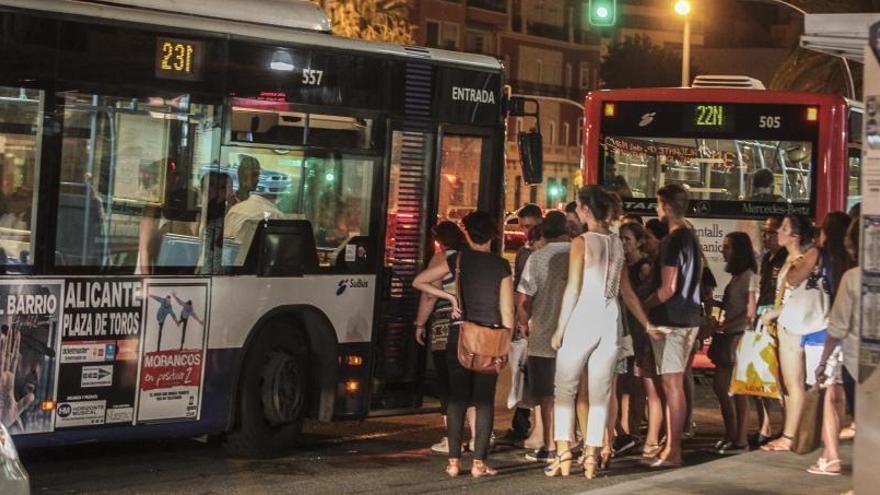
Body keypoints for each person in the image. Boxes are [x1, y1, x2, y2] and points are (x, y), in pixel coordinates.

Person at [545, 186, 653, 479]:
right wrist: (646, 323)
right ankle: (592, 454)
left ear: (586, 209)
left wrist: (559, 328)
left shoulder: (581, 242)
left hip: (583, 316)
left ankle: (564, 451)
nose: (577, 212)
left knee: (565, 388)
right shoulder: (617, 243)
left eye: (579, 207)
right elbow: (627, 292)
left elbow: (573, 288)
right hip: (610, 320)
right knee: (601, 392)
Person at [413, 211, 514, 478]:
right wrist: (507, 339)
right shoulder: (501, 266)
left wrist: (448, 296)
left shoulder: (457, 259)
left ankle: (454, 462)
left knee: (456, 399)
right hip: (489, 337)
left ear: (467, 234)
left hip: (459, 335)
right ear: (494, 235)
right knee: (483, 401)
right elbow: (507, 312)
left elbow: (419, 281)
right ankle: (479, 462)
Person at [643, 183, 703, 468]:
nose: (657, 210)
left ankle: (674, 450)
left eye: (657, 205)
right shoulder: (692, 237)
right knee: (674, 383)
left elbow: (668, 288)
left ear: (666, 207)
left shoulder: (672, 241)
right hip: (689, 316)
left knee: (671, 384)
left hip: (672, 320)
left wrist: (642, 307)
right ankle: (670, 445)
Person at [760, 214, 821, 452]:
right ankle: (790, 430)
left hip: (793, 327)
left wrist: (773, 314)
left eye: (784, 228)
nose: (778, 232)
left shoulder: (803, 262)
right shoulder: (791, 260)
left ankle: (790, 436)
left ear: (795, 236)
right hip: (785, 326)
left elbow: (798, 299)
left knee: (793, 384)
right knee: (786, 384)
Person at [516, 211, 570, 463]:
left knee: (547, 395)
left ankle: (549, 445)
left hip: (544, 335)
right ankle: (570, 442)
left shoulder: (536, 258)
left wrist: (524, 322)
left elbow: (524, 299)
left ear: (544, 232)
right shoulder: (581, 254)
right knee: (574, 392)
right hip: (577, 334)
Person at [413, 221, 471, 455]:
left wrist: (419, 324)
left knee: (447, 384)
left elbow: (428, 296)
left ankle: (451, 438)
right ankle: (479, 437)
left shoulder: (441, 259)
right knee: (468, 382)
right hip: (469, 326)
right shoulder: (470, 257)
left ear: (439, 240)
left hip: (445, 326)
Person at [810, 212, 859, 475]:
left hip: (848, 352)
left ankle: (831, 456)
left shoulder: (850, 275)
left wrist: (823, 361)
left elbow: (837, 327)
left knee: (832, 399)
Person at [620, 221, 663, 459]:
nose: (624, 244)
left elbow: (641, 298)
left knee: (638, 383)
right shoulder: (623, 264)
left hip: (638, 329)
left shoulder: (643, 267)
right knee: (624, 383)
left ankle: (636, 432)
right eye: (621, 239)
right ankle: (627, 431)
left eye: (627, 239)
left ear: (639, 242)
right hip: (624, 327)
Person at [710, 232, 757, 455]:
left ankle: (740, 439)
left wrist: (723, 325)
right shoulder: (738, 277)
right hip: (729, 336)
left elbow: (750, 313)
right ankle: (731, 434)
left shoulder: (747, 277)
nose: (723, 251)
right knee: (722, 389)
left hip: (737, 337)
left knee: (737, 392)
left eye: (727, 247)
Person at [503, 203, 543, 446]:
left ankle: (525, 424)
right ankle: (521, 421)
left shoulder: (537, 252)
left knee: (529, 372)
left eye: (529, 226)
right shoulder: (523, 252)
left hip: (535, 318)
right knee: (521, 371)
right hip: (525, 317)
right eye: (523, 227)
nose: (526, 231)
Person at [224, 156, 282, 242]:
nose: (257, 180)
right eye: (254, 175)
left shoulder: (263, 206)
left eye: (258, 175)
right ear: (242, 175)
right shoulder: (230, 204)